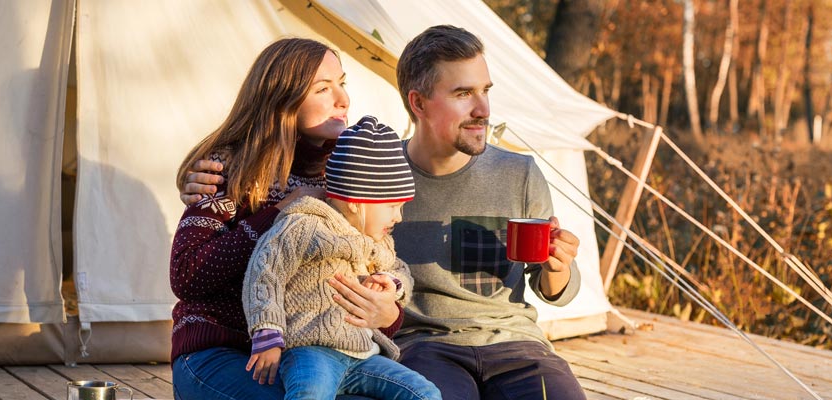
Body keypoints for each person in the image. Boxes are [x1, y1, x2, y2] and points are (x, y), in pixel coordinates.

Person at [183, 26, 588, 399]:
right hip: (268, 347)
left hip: (505, 343)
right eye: (464, 93)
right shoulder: (356, 176)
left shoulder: (511, 173)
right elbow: (198, 269)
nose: (483, 108)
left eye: (342, 84)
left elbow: (373, 281)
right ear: (418, 102)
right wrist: (237, 197)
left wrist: (558, 267)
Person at [169, 38, 405, 400]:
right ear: (283, 98)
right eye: (323, 89)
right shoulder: (227, 170)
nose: (343, 99)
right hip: (219, 351)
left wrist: (388, 313)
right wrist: (280, 213)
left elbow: (372, 264)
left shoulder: (347, 173)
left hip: (311, 354)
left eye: (342, 83)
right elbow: (188, 275)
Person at [242, 116, 439, 399]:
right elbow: (264, 272)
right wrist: (267, 333)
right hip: (311, 351)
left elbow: (400, 269)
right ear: (359, 202)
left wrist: (392, 283)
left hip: (364, 356)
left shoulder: (379, 240)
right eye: (393, 206)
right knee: (310, 393)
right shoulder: (305, 225)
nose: (398, 216)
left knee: (424, 392)